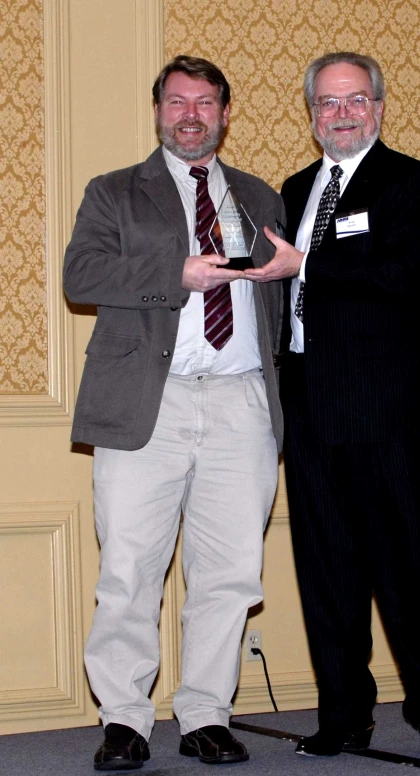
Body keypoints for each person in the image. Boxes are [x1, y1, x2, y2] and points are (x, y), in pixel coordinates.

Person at [63, 55, 285, 770]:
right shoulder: (113, 192)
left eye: (206, 103)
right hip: (143, 405)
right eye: (177, 102)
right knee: (129, 569)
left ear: (224, 112)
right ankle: (124, 718)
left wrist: (297, 269)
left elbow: (284, 297)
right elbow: (82, 276)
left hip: (240, 400)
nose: (190, 114)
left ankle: (204, 714)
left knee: (227, 573)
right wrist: (176, 274)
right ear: (157, 110)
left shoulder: (258, 196)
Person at [245, 51, 420, 759]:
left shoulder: (409, 180)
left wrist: (305, 262)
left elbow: (398, 275)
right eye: (327, 103)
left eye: (354, 100)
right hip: (307, 406)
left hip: (386, 412)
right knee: (326, 573)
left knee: (406, 573)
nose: (340, 114)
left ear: (378, 106)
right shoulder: (296, 186)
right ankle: (343, 716)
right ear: (311, 116)